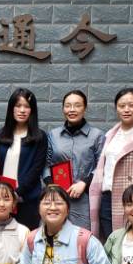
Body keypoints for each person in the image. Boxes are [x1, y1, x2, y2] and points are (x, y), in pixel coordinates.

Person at [89, 87, 133, 241]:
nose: (126, 109)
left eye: (132, 105)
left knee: (131, 244)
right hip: (107, 198)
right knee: (110, 243)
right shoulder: (110, 135)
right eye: (122, 106)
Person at [45, 89, 105, 230]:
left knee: (81, 237)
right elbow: (46, 163)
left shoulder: (97, 135)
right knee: (54, 235)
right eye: (68, 105)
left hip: (84, 199)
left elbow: (102, 165)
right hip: (56, 197)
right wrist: (52, 185)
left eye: (77, 105)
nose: (72, 109)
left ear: (85, 108)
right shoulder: (53, 135)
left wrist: (85, 182)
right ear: (63, 109)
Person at [0, 88, 47, 229]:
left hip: (27, 199)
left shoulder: (39, 137)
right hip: (2, 199)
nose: (22, 110)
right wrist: (3, 194)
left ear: (32, 110)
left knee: (26, 238)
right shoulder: (0, 135)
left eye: (27, 106)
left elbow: (36, 169)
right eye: (18, 106)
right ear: (11, 109)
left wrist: (17, 193)